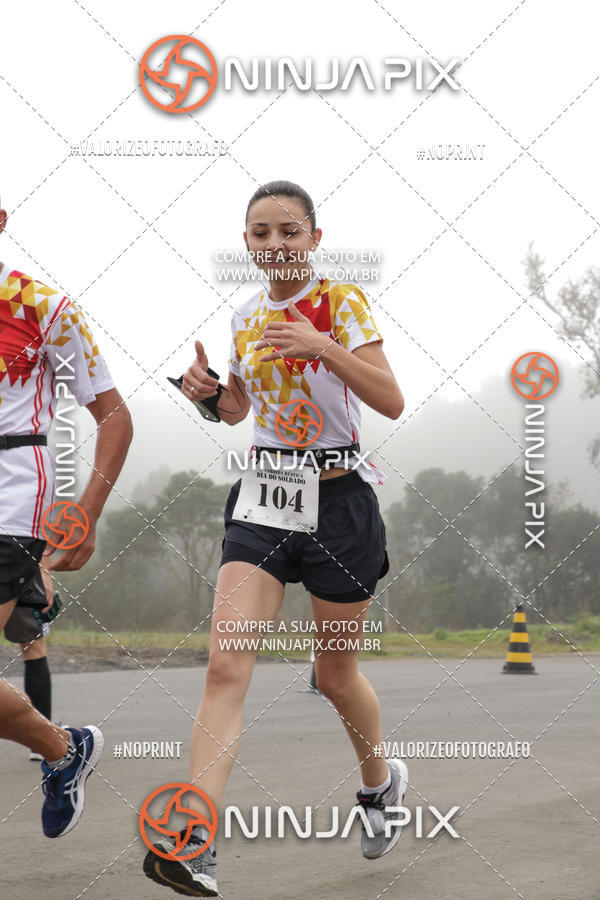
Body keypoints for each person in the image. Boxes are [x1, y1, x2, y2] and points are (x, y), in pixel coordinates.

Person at [144, 180, 406, 896]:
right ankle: (191, 842)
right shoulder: (244, 314)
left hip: (340, 498)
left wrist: (323, 344)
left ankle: (379, 784)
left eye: (288, 231)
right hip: (265, 494)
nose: (275, 245)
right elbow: (239, 408)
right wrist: (206, 396)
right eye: (260, 233)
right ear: (248, 244)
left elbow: (389, 398)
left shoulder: (342, 303)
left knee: (333, 676)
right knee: (226, 668)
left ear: (314, 239)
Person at [0, 198, 133, 835]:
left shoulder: (44, 307)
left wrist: (86, 510)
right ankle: (64, 749)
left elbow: (113, 415)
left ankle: (63, 749)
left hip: (10, 501)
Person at [3, 566, 60, 761]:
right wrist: (44, 575)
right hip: (16, 562)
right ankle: (42, 741)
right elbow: (36, 534)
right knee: (33, 646)